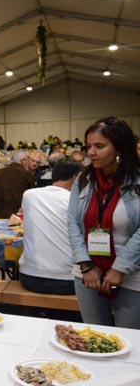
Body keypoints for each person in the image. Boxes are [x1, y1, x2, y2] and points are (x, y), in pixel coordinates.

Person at [68, 117, 140, 329]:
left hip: (132, 272)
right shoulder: (84, 179)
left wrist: (120, 268)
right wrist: (85, 265)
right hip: (88, 271)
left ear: (119, 148)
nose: (91, 152)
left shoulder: (136, 181)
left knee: (129, 339)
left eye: (99, 146)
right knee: (93, 334)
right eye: (88, 146)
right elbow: (72, 222)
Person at [19, 160, 84, 295]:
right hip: (68, 280)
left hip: (30, 277)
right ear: (75, 178)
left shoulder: (29, 195)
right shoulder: (77, 200)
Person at [0, 150, 35, 218]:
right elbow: (32, 199)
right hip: (16, 218)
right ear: (23, 161)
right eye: (27, 160)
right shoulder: (28, 176)